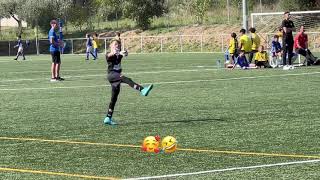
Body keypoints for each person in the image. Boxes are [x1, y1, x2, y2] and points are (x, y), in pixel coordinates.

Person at [104, 40, 153, 125]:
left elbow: (124, 54)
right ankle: (142, 90)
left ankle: (108, 117)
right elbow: (109, 55)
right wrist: (115, 52)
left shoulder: (119, 54)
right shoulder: (108, 54)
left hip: (116, 76)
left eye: (118, 45)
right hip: (112, 75)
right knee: (126, 79)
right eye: (115, 44)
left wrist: (125, 53)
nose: (117, 46)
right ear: (110, 46)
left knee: (114, 98)